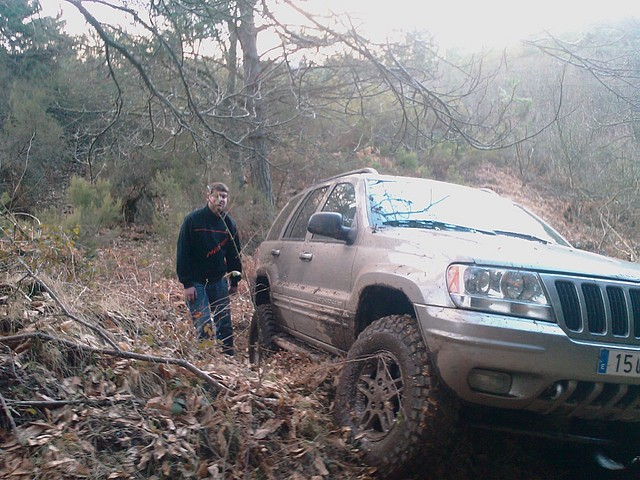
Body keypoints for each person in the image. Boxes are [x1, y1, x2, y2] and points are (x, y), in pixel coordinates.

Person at [176, 182, 242, 355]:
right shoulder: (193, 221)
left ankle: (228, 360)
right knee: (204, 324)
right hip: (196, 282)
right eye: (218, 196)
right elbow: (183, 253)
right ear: (209, 197)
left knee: (225, 323)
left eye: (224, 197)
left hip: (218, 280)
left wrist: (234, 281)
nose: (221, 200)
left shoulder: (229, 225)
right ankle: (204, 363)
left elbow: (234, 255)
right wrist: (187, 283)